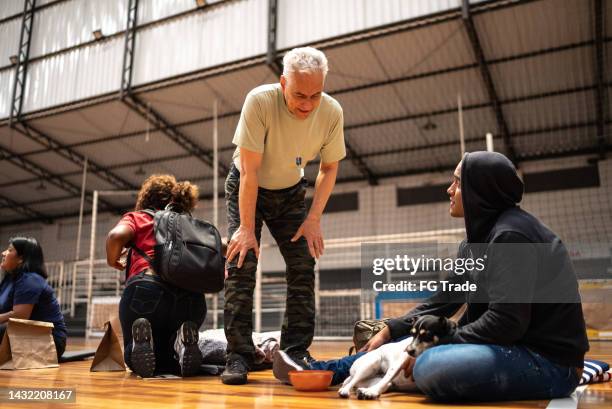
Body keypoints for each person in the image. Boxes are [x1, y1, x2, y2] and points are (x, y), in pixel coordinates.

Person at [274, 151, 589, 402]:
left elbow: (507, 323)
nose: (448, 190)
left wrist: (434, 344)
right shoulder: (477, 242)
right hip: (513, 347)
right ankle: (323, 370)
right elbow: (440, 304)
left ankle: (361, 371)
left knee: (431, 365)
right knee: (413, 337)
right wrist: (389, 328)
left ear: (480, 190)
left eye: (457, 182)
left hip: (550, 364)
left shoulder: (512, 236)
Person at [222, 46, 346, 385]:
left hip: (291, 192)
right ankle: (239, 354)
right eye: (299, 95)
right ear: (282, 83)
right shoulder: (260, 101)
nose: (307, 104)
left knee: (304, 263)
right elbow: (249, 171)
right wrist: (246, 228)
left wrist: (313, 218)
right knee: (242, 261)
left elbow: (330, 167)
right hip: (248, 185)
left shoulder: (332, 111)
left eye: (315, 95)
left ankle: (295, 350)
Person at [106, 175, 206, 378]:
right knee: (167, 359)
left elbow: (115, 236)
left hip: (148, 289)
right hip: (191, 299)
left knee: (132, 355)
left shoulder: (140, 217)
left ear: (145, 198)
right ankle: (182, 345)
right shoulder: (187, 223)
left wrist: (112, 260)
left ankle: (139, 343)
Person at [0, 237, 67, 359]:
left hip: (51, 341)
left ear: (21, 259)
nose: (3, 253)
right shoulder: (8, 280)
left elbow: (20, 315)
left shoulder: (30, 279)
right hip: (25, 334)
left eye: (10, 250)